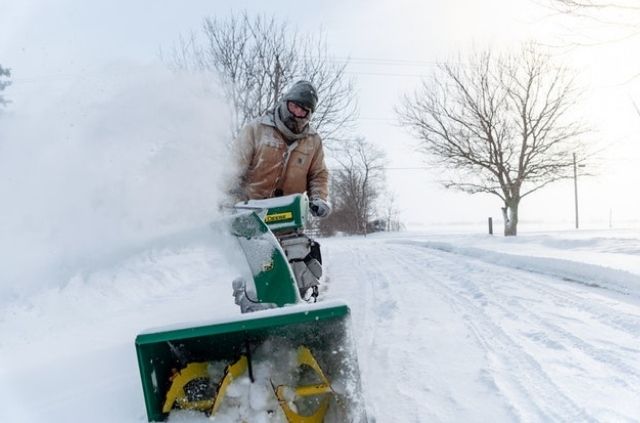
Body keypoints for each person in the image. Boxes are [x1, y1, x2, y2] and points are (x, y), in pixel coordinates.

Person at [229, 80, 331, 218]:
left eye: (303, 111)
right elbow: (233, 168)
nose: (297, 113)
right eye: (294, 106)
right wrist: (229, 199)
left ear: (309, 115)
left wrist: (318, 198)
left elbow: (318, 174)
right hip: (251, 215)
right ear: (286, 102)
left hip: (288, 216)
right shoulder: (257, 129)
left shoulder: (313, 141)